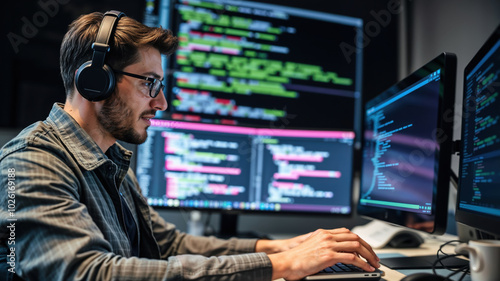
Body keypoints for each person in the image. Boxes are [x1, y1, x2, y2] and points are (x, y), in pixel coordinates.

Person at [0, 11, 380, 281]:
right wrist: (280, 266)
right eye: (150, 83)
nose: (162, 103)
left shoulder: (108, 157)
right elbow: (90, 273)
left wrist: (283, 248)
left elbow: (167, 244)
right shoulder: (31, 162)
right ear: (95, 82)